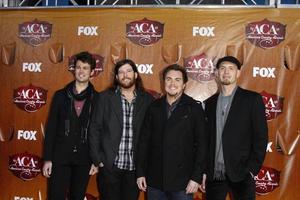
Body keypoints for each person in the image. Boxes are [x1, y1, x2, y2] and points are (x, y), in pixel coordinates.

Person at [136, 64, 207, 200]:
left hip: (183, 182)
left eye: (177, 80)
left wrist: (196, 177)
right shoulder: (154, 107)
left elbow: (202, 146)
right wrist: (140, 172)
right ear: (164, 82)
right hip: (155, 180)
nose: (172, 83)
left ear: (184, 84)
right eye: (168, 79)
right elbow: (144, 142)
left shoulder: (194, 108)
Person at [204, 56, 268, 200]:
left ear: (238, 73)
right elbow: (206, 140)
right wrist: (204, 171)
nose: (226, 72)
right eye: (222, 68)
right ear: (217, 73)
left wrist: (252, 170)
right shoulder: (209, 103)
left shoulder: (252, 99)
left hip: (242, 173)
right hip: (214, 175)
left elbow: (261, 137)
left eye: (231, 68)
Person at [89, 59, 154, 200]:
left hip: (135, 168)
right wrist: (98, 160)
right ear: (117, 77)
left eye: (129, 71)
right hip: (110, 166)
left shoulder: (148, 100)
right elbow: (94, 128)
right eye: (121, 72)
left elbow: (151, 134)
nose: (125, 75)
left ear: (136, 75)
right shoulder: (104, 98)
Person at [42, 51, 98, 200]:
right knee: (55, 196)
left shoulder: (98, 99)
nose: (81, 71)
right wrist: (48, 159)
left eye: (85, 68)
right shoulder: (60, 95)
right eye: (78, 67)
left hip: (84, 159)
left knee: (77, 197)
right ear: (74, 70)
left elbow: (99, 132)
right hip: (60, 157)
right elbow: (51, 128)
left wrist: (96, 160)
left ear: (92, 72)